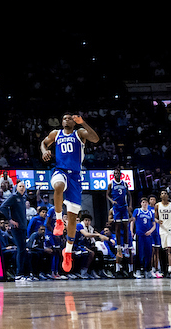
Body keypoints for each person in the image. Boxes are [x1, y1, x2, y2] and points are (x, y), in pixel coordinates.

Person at [40, 112, 100, 274]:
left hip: (75, 176)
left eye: (69, 118)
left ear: (74, 123)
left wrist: (84, 123)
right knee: (58, 186)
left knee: (73, 218)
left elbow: (95, 139)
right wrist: (44, 151)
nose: (66, 120)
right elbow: (43, 143)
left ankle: (68, 251)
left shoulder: (79, 133)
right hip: (60, 171)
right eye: (64, 118)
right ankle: (59, 220)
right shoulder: (56, 134)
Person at [132, 196, 158, 278]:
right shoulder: (137, 211)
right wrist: (131, 231)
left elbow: (154, 225)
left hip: (148, 235)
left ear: (147, 204)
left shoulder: (150, 213)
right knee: (140, 253)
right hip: (140, 235)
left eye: (146, 203)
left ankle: (148, 270)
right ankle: (138, 270)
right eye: (143, 202)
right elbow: (133, 221)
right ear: (141, 203)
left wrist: (150, 231)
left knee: (149, 253)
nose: (144, 204)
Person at [107, 170, 130, 246]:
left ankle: (126, 245)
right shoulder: (111, 184)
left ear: (120, 174)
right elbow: (107, 195)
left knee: (125, 226)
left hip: (124, 206)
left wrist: (130, 205)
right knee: (117, 226)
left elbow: (129, 195)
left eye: (118, 173)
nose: (116, 175)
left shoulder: (124, 183)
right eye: (115, 173)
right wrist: (112, 201)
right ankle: (119, 245)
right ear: (114, 175)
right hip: (116, 207)